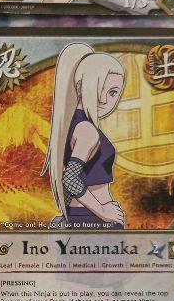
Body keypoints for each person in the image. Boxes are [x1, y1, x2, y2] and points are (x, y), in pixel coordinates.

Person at [42, 41, 126, 228]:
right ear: (80, 87)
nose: (104, 99)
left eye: (113, 92)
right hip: (93, 217)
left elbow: (68, 175)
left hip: (83, 216)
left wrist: (69, 214)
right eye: (98, 87)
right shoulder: (86, 130)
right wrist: (102, 211)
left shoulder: (69, 125)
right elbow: (70, 179)